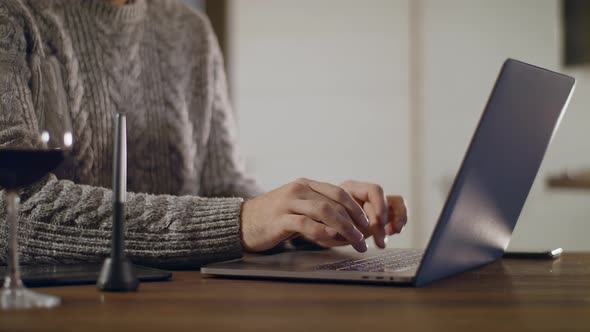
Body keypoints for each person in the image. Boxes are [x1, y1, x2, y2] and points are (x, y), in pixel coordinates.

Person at [0, 0, 407, 269]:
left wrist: (305, 223)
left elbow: (222, 189)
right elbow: (13, 210)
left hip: (183, 307)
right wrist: (241, 220)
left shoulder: (189, 29)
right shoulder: (14, 15)